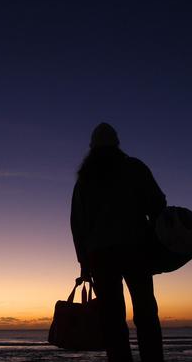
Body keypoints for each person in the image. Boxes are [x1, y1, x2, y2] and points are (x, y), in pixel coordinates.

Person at [71, 123, 166, 362]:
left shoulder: (84, 180)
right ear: (117, 145)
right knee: (145, 314)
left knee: (112, 319)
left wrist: (84, 263)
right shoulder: (134, 168)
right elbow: (158, 205)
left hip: (100, 256)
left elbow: (78, 225)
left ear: (92, 148)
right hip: (136, 249)